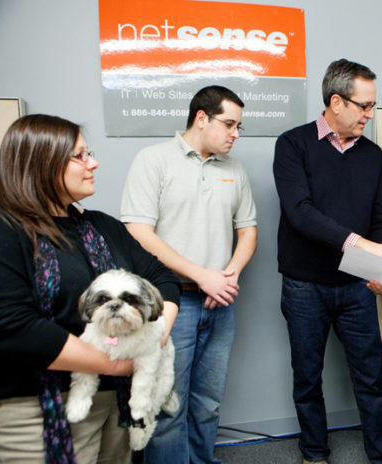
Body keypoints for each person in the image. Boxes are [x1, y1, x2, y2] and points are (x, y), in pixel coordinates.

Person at [0, 114, 180, 464]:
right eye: (79, 155)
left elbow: (162, 279)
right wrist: (118, 365)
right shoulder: (2, 229)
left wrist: (154, 337)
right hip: (36, 409)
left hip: (115, 405)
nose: (93, 162)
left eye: (88, 152)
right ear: (41, 162)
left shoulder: (101, 226)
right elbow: (12, 326)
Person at [273, 58, 382, 464]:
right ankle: (314, 454)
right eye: (364, 106)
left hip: (357, 288)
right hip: (304, 287)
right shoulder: (293, 144)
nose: (370, 114)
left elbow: (380, 217)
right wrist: (363, 247)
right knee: (307, 378)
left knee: (371, 378)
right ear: (336, 101)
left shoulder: (372, 155)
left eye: (373, 106)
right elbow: (300, 212)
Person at [121, 85, 257, 464]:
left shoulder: (235, 168)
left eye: (239, 126)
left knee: (208, 404)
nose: (236, 133)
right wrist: (202, 276)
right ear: (201, 118)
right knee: (167, 405)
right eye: (229, 124)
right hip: (170, 303)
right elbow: (138, 233)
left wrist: (226, 276)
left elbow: (248, 230)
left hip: (221, 302)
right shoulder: (153, 160)